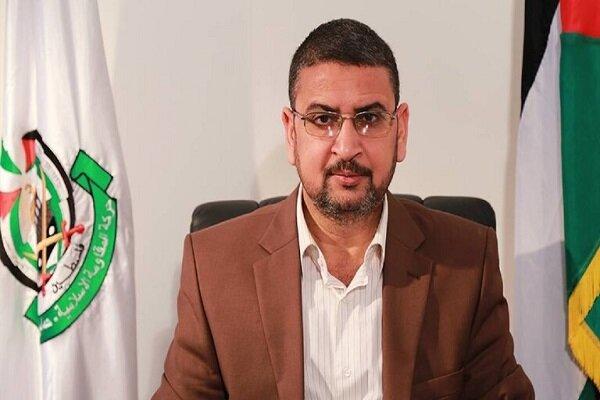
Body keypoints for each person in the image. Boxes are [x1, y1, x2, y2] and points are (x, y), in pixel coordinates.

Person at [153, 18, 534, 399]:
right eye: (323, 120)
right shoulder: (214, 266)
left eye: (369, 119)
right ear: (291, 133)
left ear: (400, 130)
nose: (347, 147)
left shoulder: (467, 262)